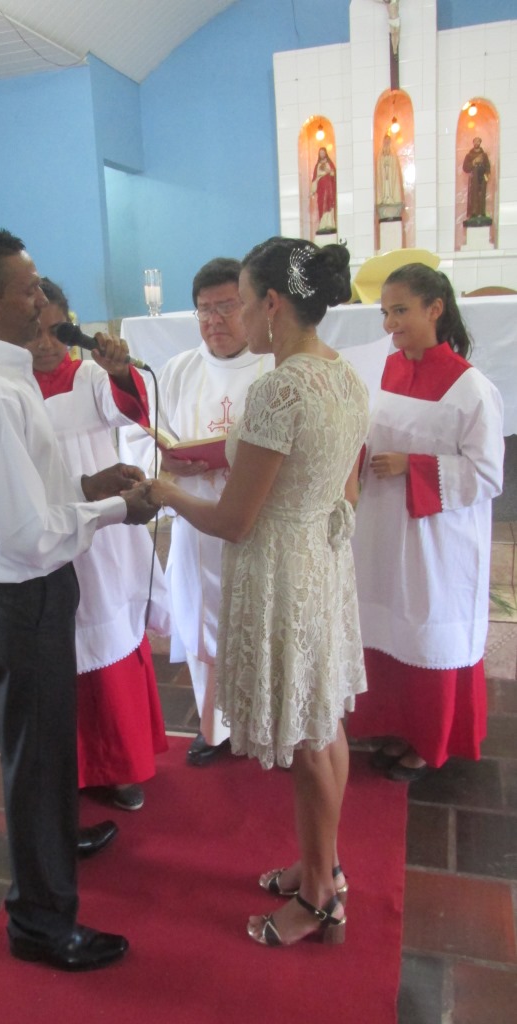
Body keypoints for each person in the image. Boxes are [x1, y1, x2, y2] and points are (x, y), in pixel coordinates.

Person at [0, 228, 158, 973]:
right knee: (34, 755)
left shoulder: (0, 374)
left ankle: (59, 836)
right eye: (29, 288)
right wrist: (115, 511)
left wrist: (84, 487)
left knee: (48, 741)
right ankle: (40, 920)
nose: (43, 298)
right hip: (22, 591)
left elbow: (30, 487)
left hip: (30, 589)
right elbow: (27, 535)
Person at [149, 237, 369, 948]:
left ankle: (318, 897)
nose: (235, 316)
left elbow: (233, 520)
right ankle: (320, 864)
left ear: (271, 304)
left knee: (308, 741)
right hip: (320, 560)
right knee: (322, 719)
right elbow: (346, 486)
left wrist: (163, 491)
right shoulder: (341, 374)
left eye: (240, 302)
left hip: (280, 569)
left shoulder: (278, 388)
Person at [347, 263, 504, 781]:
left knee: (426, 628)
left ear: (435, 309)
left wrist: (413, 467)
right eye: (385, 312)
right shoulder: (383, 371)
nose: (390, 324)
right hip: (380, 530)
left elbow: (486, 473)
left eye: (401, 310)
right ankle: (392, 724)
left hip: (437, 539)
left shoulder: (471, 387)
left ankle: (427, 741)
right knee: (385, 622)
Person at [26, 277, 170, 813]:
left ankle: (118, 764)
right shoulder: (10, 385)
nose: (45, 344)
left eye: (55, 330)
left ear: (70, 324)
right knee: (55, 645)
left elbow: (129, 410)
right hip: (40, 527)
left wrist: (118, 372)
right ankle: (71, 766)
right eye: (34, 332)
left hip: (100, 529)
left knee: (104, 632)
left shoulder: (87, 374)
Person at [151, 258, 271, 766]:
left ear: (252, 306)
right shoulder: (180, 369)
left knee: (259, 627)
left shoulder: (273, 367)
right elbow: (151, 438)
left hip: (256, 526)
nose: (214, 320)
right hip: (197, 524)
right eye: (204, 309)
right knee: (204, 622)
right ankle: (215, 725)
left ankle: (266, 727)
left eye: (226, 307)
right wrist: (164, 459)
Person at [375, 134, 404, 221]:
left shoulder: (393, 154)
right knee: (385, 187)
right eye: (385, 141)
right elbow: (379, 170)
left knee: (390, 186)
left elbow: (394, 168)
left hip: (390, 178)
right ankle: (385, 198)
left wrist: (389, 164)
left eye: (388, 141)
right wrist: (384, 164)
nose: (387, 143)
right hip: (384, 179)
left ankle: (391, 198)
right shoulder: (380, 155)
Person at [462, 137, 491, 223]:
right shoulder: (469, 155)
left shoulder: (484, 155)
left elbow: (487, 166)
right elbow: (465, 167)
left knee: (482, 194)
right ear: (473, 142)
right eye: (475, 141)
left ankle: (481, 212)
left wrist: (487, 174)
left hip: (482, 177)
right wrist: (474, 162)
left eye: (478, 141)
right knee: (473, 194)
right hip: (474, 177)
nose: (477, 143)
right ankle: (473, 212)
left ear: (480, 143)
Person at [310, 147, 337, 235]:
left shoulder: (329, 163)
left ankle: (329, 223)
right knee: (322, 205)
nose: (322, 154)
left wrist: (328, 171)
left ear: (325, 153)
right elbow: (314, 178)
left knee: (329, 204)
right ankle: (322, 224)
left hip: (329, 187)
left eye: (323, 152)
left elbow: (333, 174)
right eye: (320, 153)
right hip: (321, 188)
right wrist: (312, 191)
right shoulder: (317, 165)